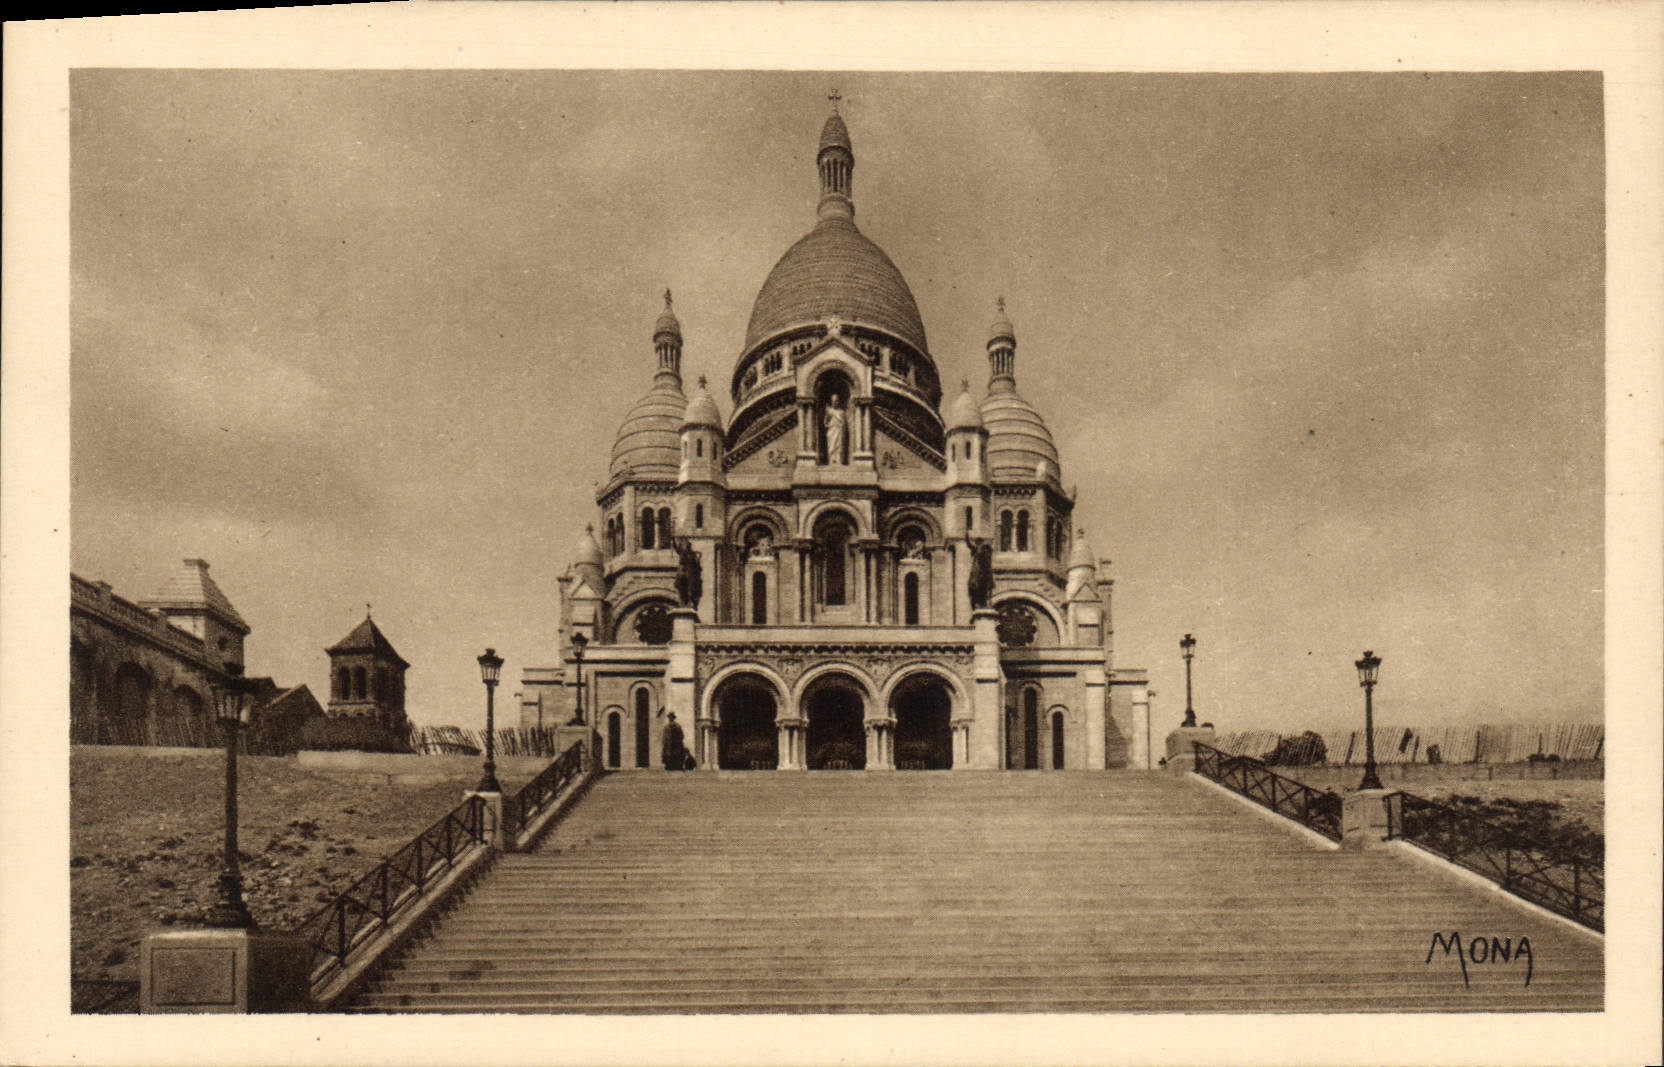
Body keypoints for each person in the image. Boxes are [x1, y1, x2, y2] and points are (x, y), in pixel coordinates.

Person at [823, 394, 847, 465]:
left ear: (838, 402)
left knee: (839, 446)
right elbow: (825, 421)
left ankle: (839, 460)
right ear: (831, 402)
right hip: (832, 430)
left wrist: (842, 426)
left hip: (839, 430)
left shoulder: (841, 412)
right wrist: (827, 424)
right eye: (833, 401)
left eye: (836, 401)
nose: (834, 402)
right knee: (832, 446)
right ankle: (831, 460)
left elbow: (844, 422)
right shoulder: (829, 411)